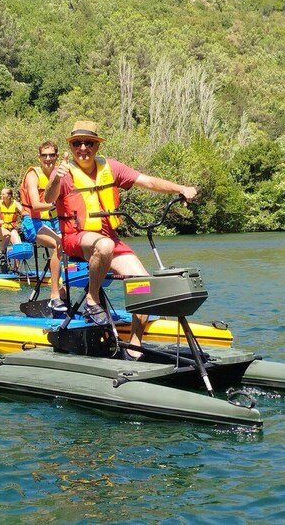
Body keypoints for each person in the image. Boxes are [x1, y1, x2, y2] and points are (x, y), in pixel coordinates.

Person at [44, 120, 198, 359]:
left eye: (88, 143)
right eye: (77, 143)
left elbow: (146, 181)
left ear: (96, 145)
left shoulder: (111, 167)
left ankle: (134, 347)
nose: (83, 147)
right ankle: (92, 300)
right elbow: (49, 197)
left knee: (145, 286)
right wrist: (55, 178)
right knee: (103, 245)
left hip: (108, 239)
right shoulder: (63, 172)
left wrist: (181, 188)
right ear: (71, 146)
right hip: (76, 238)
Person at [20, 140, 67, 313]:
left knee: (74, 244)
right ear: (39, 157)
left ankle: (65, 293)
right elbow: (36, 204)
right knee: (59, 244)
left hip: (54, 221)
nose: (48, 159)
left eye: (51, 155)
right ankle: (55, 296)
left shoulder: (59, 174)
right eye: (44, 155)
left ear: (56, 156)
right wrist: (55, 204)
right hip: (33, 222)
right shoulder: (33, 175)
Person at [0, 187, 23, 264]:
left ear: (9, 196)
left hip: (11, 228)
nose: (1, 195)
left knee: (18, 248)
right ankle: (2, 252)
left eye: (3, 194)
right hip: (1, 228)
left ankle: (16, 270)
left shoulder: (15, 203)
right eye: (1, 194)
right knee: (7, 235)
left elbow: (23, 211)